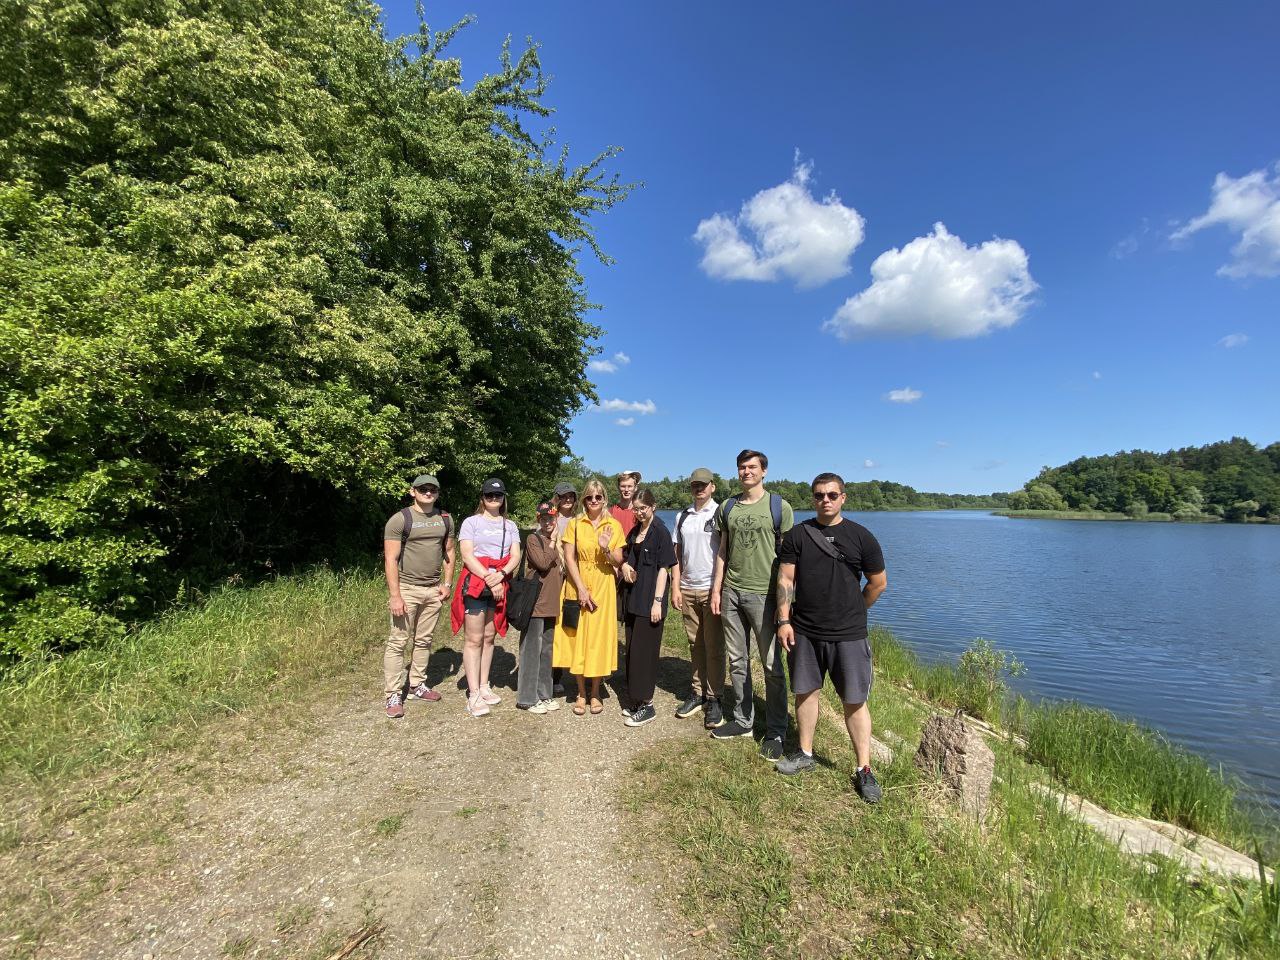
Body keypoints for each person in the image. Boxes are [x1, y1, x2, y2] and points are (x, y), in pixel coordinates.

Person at [774, 473, 887, 803]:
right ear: (813, 498)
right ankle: (805, 753)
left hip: (849, 634)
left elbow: (878, 583)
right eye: (819, 495)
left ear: (843, 498)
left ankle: (864, 769)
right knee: (806, 692)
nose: (825, 500)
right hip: (805, 630)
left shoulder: (861, 537)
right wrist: (784, 620)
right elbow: (785, 580)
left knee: (854, 700)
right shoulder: (799, 535)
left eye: (832, 495)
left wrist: (855, 609)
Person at [710, 449, 794, 760]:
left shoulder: (778, 507)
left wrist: (785, 608)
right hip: (732, 591)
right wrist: (717, 589)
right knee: (737, 661)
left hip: (765, 595)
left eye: (752, 467)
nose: (747, 472)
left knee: (772, 666)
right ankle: (743, 721)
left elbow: (788, 561)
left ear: (764, 471)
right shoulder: (728, 506)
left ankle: (775, 730)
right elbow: (722, 550)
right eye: (742, 467)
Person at [381, 473, 454, 719]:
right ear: (413, 491)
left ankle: (416, 685)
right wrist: (395, 595)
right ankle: (392, 693)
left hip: (433, 590)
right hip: (407, 590)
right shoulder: (400, 519)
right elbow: (390, 559)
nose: (428, 493)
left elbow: (450, 552)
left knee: (424, 640)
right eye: (423, 489)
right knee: (398, 641)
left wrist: (447, 583)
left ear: (438, 493)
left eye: (432, 489)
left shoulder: (445, 519)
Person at [554, 478, 625, 716]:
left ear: (604, 499)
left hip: (604, 584)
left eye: (598, 497)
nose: (594, 501)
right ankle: (580, 691)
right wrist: (582, 589)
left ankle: (595, 692)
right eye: (589, 497)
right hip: (577, 583)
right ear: (584, 500)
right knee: (577, 638)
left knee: (597, 638)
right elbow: (569, 558)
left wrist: (605, 547)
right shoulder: (575, 524)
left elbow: (618, 560)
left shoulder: (613, 525)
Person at [452, 478, 521, 718]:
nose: (494, 500)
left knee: (489, 636)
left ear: (504, 498)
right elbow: (467, 556)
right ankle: (473, 694)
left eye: (498, 496)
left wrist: (500, 575)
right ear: (482, 498)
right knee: (474, 638)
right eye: (489, 496)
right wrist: (489, 577)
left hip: (499, 582)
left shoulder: (510, 525)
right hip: (477, 583)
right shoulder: (471, 523)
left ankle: (484, 685)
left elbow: (515, 556)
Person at [670, 467, 726, 728]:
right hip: (688, 587)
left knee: (714, 646)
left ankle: (715, 698)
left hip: (712, 589)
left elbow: (725, 553)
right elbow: (676, 555)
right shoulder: (683, 516)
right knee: (695, 644)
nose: (699, 489)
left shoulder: (720, 513)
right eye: (695, 485)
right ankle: (697, 692)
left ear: (713, 486)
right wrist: (676, 586)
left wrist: (718, 589)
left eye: (704, 484)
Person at [619, 490, 677, 727]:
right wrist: (624, 566)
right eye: (636, 508)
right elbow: (627, 557)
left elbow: (665, 568)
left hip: (650, 601)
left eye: (644, 507)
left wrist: (657, 601)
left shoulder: (660, 531)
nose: (640, 512)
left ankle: (648, 704)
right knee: (633, 651)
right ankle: (636, 700)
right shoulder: (635, 531)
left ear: (654, 506)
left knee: (646, 654)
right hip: (633, 599)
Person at [518, 501, 563, 714]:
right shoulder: (533, 539)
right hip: (535, 604)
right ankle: (527, 697)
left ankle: (544, 694)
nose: (548, 522)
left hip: (552, 604)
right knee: (531, 651)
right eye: (544, 518)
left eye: (551, 518)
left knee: (547, 651)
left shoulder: (557, 541)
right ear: (539, 519)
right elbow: (543, 563)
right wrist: (553, 544)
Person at [609, 470, 641, 537]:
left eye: (630, 486)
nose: (626, 490)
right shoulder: (610, 512)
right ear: (618, 487)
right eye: (623, 486)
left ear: (635, 488)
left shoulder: (640, 513)